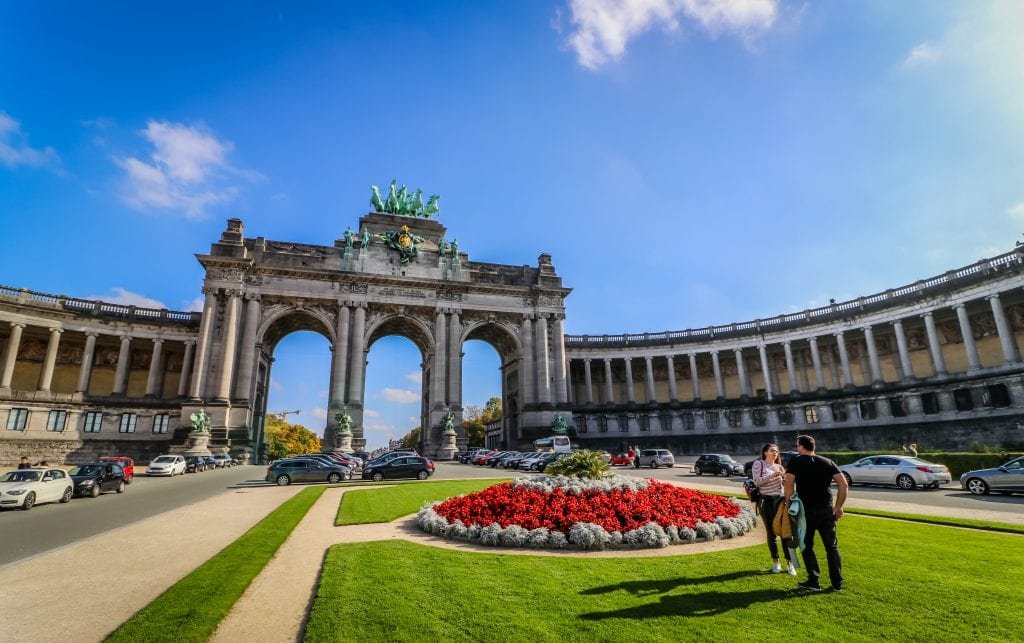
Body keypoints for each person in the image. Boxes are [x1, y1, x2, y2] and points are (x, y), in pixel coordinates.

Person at [784, 434, 848, 593]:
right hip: (826, 510)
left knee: (807, 546)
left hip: (806, 512)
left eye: (797, 445)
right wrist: (839, 507)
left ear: (801, 447)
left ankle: (814, 580)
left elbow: (789, 485)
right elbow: (843, 484)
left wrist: (789, 506)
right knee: (832, 547)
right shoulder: (827, 462)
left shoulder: (795, 462)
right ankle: (837, 583)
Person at [753, 443, 795, 575]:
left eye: (777, 451)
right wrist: (774, 475)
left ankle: (790, 563)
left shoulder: (779, 466)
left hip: (780, 500)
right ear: (765, 452)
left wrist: (784, 478)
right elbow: (757, 482)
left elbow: (784, 485)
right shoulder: (759, 464)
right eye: (772, 450)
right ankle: (776, 562)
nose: (775, 453)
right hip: (766, 501)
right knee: (771, 533)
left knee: (785, 531)